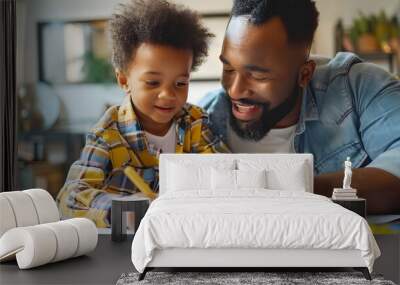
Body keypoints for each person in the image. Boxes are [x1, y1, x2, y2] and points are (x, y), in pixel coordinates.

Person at [200, 0, 400, 214]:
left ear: (304, 74)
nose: (235, 91)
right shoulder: (204, 119)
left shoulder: (360, 87)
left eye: (257, 75)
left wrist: (284, 189)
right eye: (229, 69)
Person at [57, 0, 229, 227]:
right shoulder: (108, 133)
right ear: (124, 80)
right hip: (125, 245)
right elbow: (70, 198)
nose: (168, 95)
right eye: (153, 82)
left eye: (180, 83)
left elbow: (224, 175)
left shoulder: (195, 122)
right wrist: (131, 210)